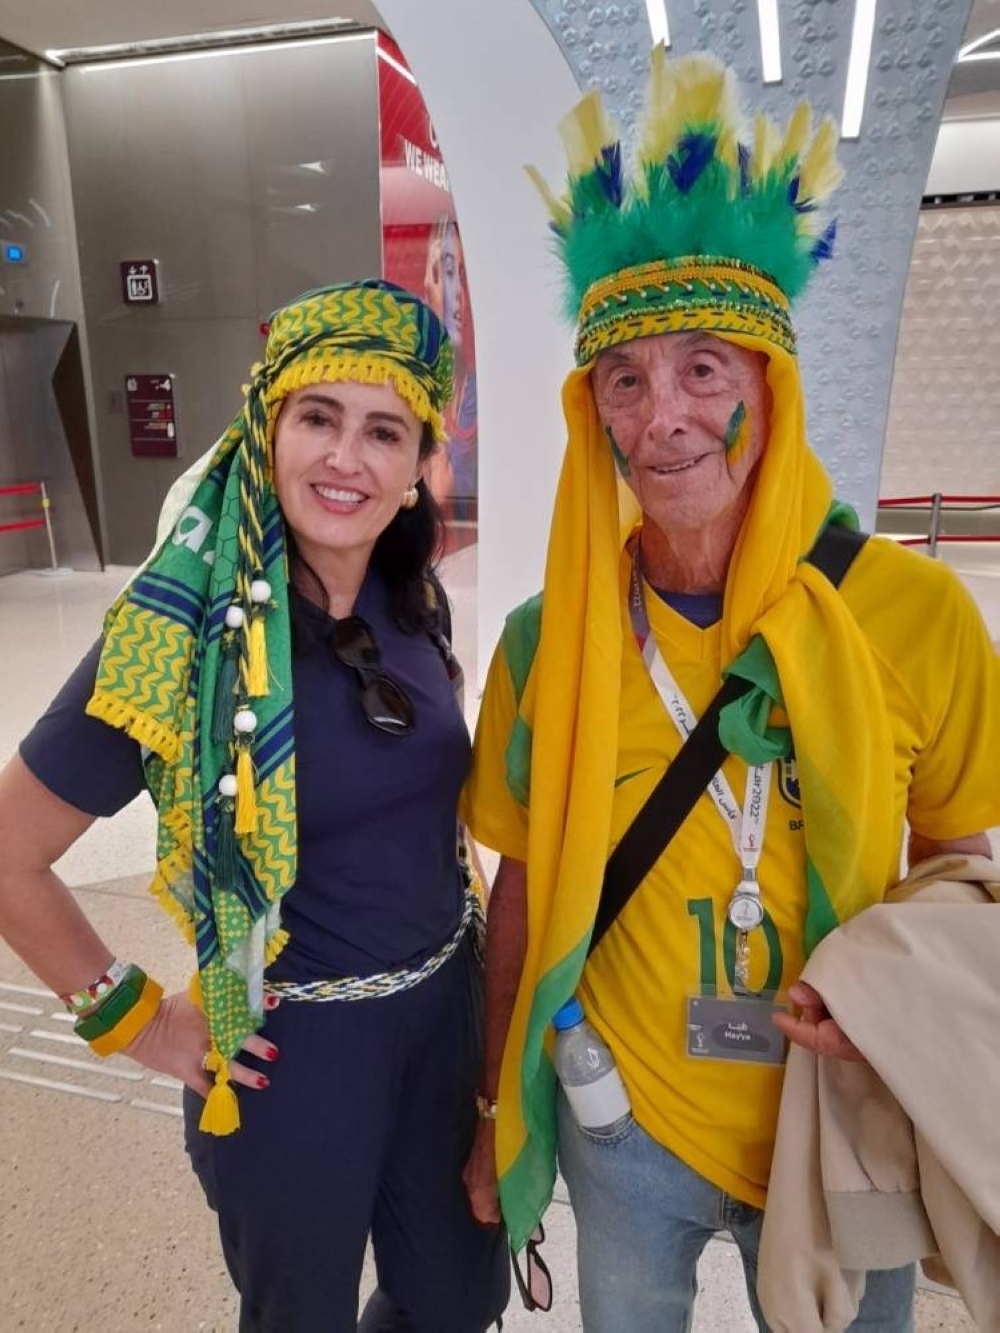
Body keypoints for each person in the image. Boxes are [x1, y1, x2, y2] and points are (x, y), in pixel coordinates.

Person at [460, 49, 1000, 1332]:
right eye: (626, 381)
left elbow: (961, 863)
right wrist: (496, 1108)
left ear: (772, 389)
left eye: (707, 368)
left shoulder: (912, 615)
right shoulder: (549, 643)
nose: (665, 418)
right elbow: (522, 888)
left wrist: (897, 1006)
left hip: (846, 1112)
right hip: (622, 1114)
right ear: (592, 412)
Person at [0, 279, 509, 1332]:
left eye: (384, 431)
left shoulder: (414, 601)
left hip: (443, 1026)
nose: (344, 457)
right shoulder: (175, 634)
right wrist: (141, 1023)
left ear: (419, 466)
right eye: (317, 417)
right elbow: (9, 852)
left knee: (457, 1299)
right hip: (290, 1055)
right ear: (265, 429)